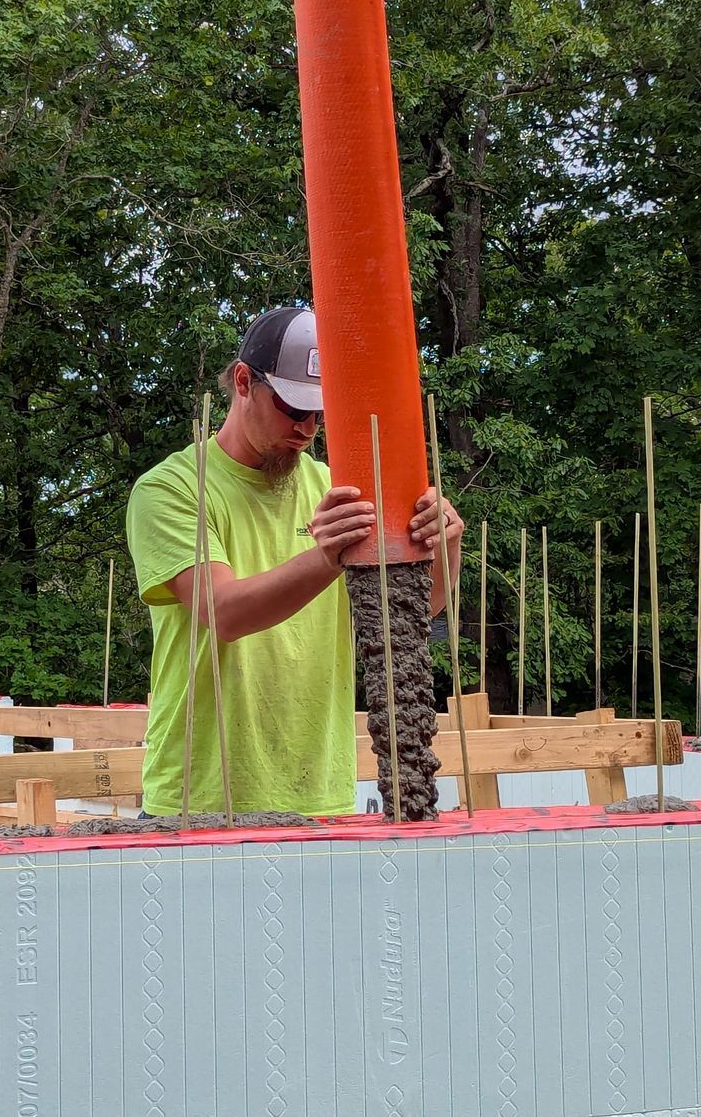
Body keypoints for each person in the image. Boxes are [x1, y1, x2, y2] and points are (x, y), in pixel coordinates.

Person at [125, 306, 463, 816]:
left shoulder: (333, 488)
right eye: (292, 409)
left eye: (318, 414)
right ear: (244, 382)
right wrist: (327, 557)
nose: (307, 428)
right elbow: (223, 613)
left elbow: (418, 615)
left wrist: (445, 546)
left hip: (322, 795)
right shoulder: (172, 489)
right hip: (203, 800)